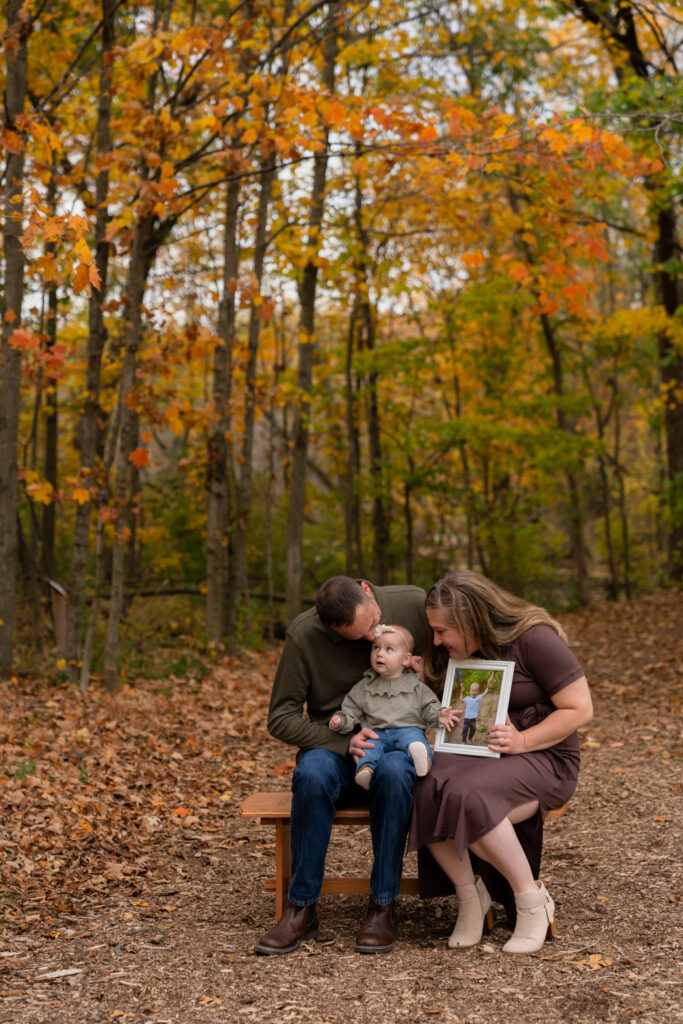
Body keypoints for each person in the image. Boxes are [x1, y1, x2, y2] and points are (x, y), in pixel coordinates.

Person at [408, 569, 593, 954]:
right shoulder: (463, 650)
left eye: (442, 631)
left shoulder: (535, 639)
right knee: (424, 787)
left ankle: (532, 901)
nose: (437, 641)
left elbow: (580, 709)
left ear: (472, 621)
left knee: (469, 795)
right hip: (481, 754)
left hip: (545, 755)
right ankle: (471, 900)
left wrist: (523, 739)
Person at [254, 576, 429, 956]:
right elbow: (280, 718)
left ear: (368, 590)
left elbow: (453, 662)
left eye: (372, 626)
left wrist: (425, 668)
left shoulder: (414, 604)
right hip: (333, 749)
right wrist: (339, 741)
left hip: (395, 744)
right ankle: (301, 908)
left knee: (398, 771)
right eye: (357, 637)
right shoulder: (305, 635)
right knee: (311, 774)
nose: (371, 641)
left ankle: (382, 906)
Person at [329, 624, 457, 788]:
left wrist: (438, 715)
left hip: (407, 730)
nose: (380, 653)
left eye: (389, 649)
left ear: (405, 659)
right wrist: (341, 720)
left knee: (414, 741)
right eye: (376, 648)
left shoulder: (415, 685)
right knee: (368, 749)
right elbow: (351, 709)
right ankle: (366, 771)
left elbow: (428, 706)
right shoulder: (365, 686)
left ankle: (420, 760)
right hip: (376, 734)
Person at [459, 671, 493, 744]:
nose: (473, 692)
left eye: (475, 690)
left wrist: (488, 688)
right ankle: (463, 740)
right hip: (467, 718)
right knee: (465, 729)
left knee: (473, 729)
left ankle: (470, 738)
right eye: (472, 690)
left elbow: (484, 694)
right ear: (470, 691)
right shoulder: (467, 698)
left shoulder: (478, 698)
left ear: (478, 692)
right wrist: (461, 692)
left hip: (473, 718)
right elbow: (461, 700)